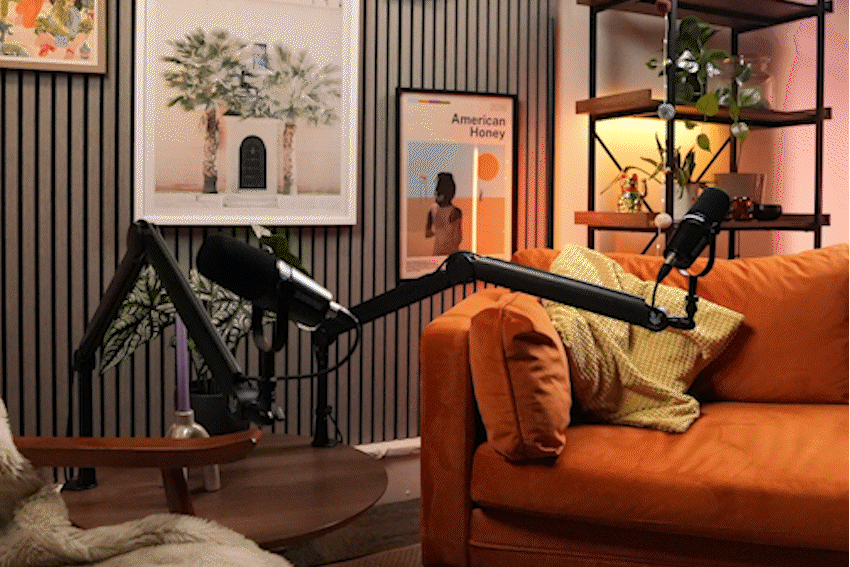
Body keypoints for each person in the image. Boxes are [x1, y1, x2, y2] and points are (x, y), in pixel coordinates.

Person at [425, 172, 463, 255]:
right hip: (451, 254)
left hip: (436, 253)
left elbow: (427, 233)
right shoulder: (455, 212)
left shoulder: (432, 209)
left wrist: (439, 233)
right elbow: (458, 238)